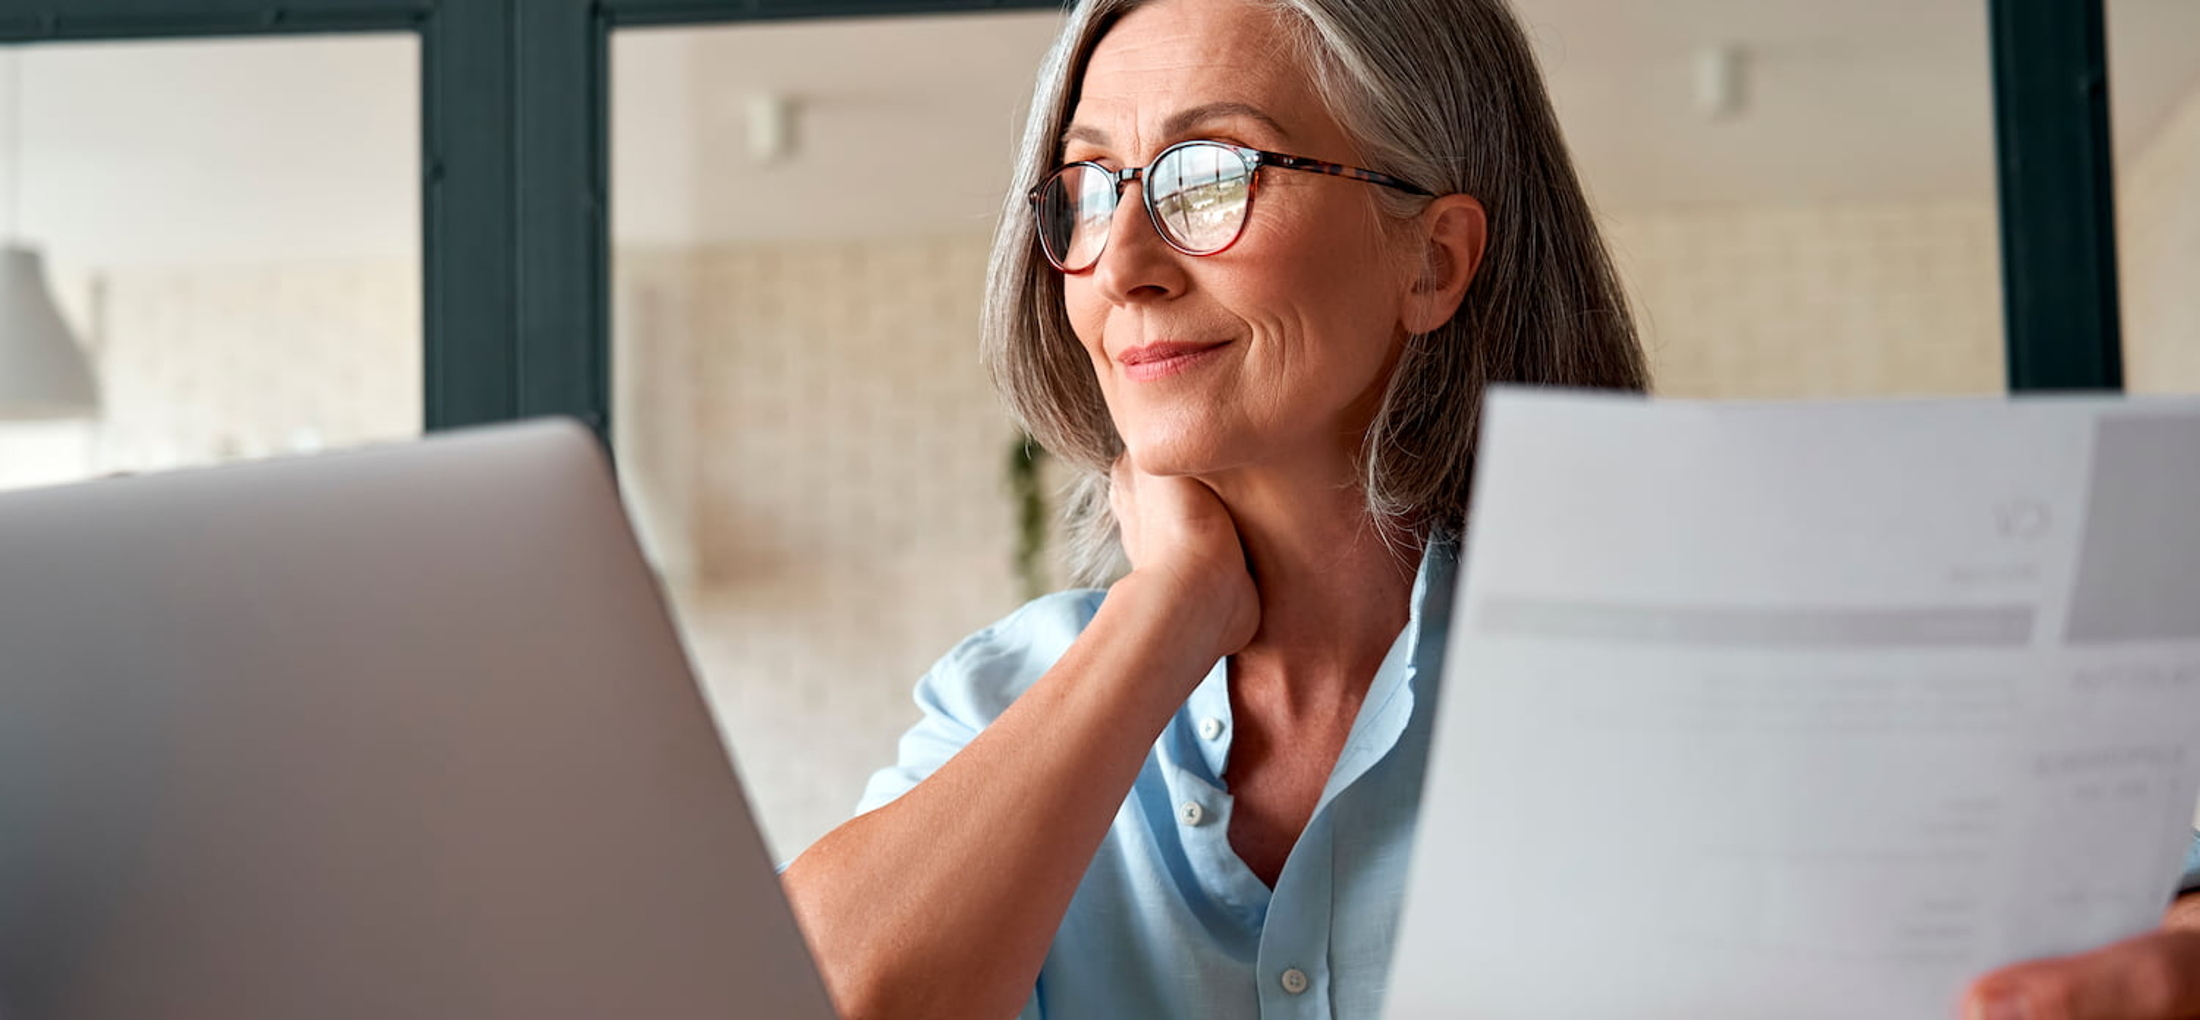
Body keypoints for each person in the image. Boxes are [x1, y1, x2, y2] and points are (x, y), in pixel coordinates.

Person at [779, 0, 2200, 1017]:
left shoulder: (1706, 650)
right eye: (1089, 189)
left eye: (1210, 173)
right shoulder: (1006, 702)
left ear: (1436, 261)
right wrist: (1161, 621)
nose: (1125, 257)